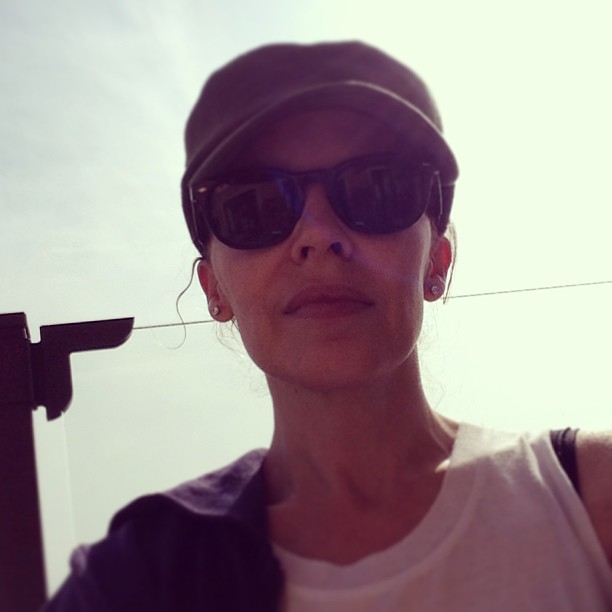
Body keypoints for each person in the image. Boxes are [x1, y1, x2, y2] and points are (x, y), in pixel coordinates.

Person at [45, 41, 612, 611]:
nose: (318, 235)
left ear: (437, 262)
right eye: (254, 204)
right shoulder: (131, 581)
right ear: (214, 289)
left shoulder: (594, 500)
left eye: (378, 188)